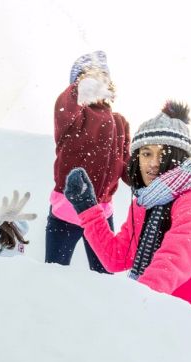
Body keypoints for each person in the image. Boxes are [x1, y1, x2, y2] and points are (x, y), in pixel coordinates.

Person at [64, 100, 191, 334]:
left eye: (163, 153)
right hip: (189, 303)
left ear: (178, 157)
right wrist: (87, 208)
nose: (153, 163)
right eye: (146, 153)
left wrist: (130, 309)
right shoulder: (144, 203)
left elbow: (173, 261)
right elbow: (117, 257)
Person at [46, 50, 131, 273]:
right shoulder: (72, 118)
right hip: (66, 210)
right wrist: (78, 90)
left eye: (102, 77)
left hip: (100, 214)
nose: (95, 82)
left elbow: (128, 170)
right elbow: (65, 106)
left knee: (104, 277)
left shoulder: (120, 122)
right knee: (53, 274)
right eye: (87, 77)